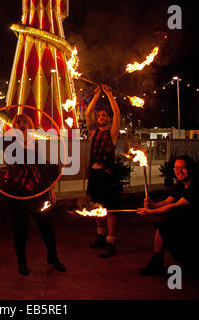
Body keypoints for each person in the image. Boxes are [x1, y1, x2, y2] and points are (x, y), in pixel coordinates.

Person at [0, 113, 65, 275]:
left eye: (25, 121)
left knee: (46, 225)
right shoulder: (8, 141)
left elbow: (41, 169)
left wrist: (50, 189)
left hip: (37, 192)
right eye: (18, 122)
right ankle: (22, 262)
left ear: (30, 126)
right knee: (20, 228)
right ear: (14, 127)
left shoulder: (34, 144)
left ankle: (53, 257)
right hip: (16, 193)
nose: (22, 124)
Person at [137, 155, 199, 276]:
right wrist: (152, 205)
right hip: (190, 219)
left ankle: (197, 262)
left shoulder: (198, 184)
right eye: (176, 168)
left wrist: (151, 212)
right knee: (162, 226)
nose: (178, 171)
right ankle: (157, 262)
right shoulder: (181, 184)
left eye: (182, 168)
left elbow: (175, 206)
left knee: (168, 228)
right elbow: (167, 202)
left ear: (190, 168)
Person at [85, 84, 121, 258]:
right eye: (99, 115)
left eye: (104, 115)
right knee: (97, 207)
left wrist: (109, 94)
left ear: (108, 118)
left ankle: (110, 242)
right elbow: (87, 114)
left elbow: (117, 114)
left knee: (111, 210)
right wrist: (97, 95)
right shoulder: (93, 133)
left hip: (108, 176)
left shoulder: (113, 134)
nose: (100, 117)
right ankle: (100, 235)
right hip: (94, 176)